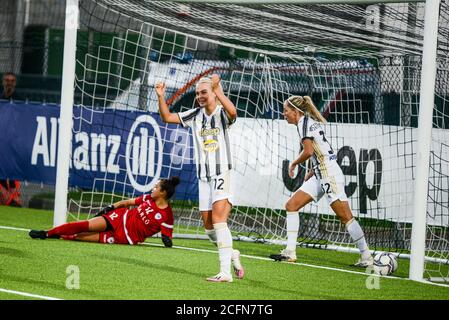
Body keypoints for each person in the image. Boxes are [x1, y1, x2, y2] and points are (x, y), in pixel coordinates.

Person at [155, 74, 244, 283]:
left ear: (213, 92)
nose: (199, 96)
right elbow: (167, 117)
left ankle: (225, 273)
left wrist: (219, 89)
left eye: (204, 92)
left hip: (222, 173)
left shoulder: (222, 113)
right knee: (209, 229)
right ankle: (231, 253)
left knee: (219, 221)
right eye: (197, 93)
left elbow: (233, 112)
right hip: (204, 178)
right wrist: (161, 96)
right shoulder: (195, 114)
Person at [269, 95, 373, 267]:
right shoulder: (306, 122)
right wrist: (312, 170)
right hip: (320, 174)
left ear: (295, 111)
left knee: (345, 216)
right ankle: (290, 252)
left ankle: (366, 256)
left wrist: (295, 163)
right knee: (291, 205)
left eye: (286, 110)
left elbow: (309, 151)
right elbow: (318, 149)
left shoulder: (304, 124)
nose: (283, 113)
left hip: (328, 174)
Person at [29, 177, 180, 247]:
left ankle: (60, 235)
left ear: (163, 193)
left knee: (80, 237)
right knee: (84, 225)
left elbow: (167, 237)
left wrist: (167, 240)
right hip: (118, 218)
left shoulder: (167, 216)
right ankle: (46, 233)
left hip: (125, 237)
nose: (153, 189)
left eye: (156, 187)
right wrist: (110, 208)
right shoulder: (148, 198)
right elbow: (127, 203)